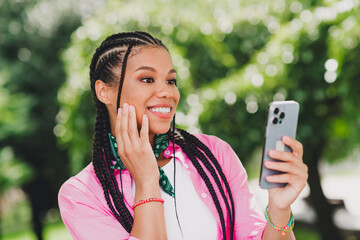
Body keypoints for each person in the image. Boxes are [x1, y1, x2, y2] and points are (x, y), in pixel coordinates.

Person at [58, 31, 308, 240]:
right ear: (104, 92)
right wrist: (146, 180)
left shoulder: (214, 154)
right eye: (147, 79)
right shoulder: (81, 195)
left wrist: (279, 208)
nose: (166, 91)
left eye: (171, 81)